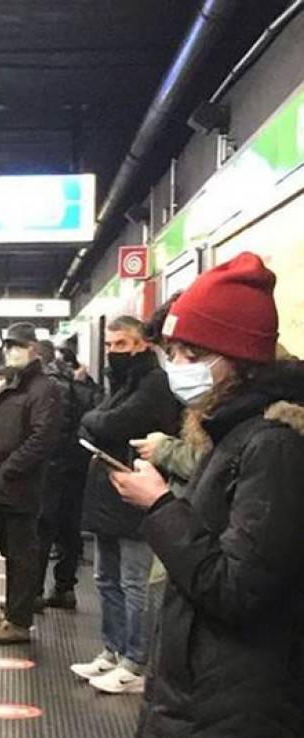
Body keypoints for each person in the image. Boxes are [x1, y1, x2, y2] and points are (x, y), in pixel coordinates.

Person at [108, 252, 304, 738]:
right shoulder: (231, 433)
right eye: (173, 353)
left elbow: (237, 589)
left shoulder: (272, 446)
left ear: (236, 360)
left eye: (190, 356)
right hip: (203, 690)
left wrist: (160, 506)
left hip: (234, 704)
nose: (175, 367)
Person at [72, 316, 180, 694]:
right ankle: (113, 650)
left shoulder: (154, 384)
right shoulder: (122, 383)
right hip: (109, 492)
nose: (113, 352)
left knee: (134, 582)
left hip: (136, 494)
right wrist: (96, 421)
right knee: (106, 579)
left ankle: (136, 661)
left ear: (141, 345)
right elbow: (95, 424)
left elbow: (109, 424)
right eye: (110, 344)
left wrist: (94, 419)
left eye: (121, 344)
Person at [0, 322, 61, 644]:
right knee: (10, 551)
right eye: (7, 345)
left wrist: (8, 469)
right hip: (0, 484)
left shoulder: (43, 388)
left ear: (34, 349)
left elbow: (41, 438)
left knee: (22, 554)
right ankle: (13, 612)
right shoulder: (15, 383)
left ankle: (20, 621)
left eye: (17, 345)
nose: (11, 351)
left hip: (18, 485)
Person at [36, 344, 94, 611]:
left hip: (51, 467)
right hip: (76, 466)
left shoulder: (48, 388)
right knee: (70, 529)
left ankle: (33, 592)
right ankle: (64, 587)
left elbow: (47, 432)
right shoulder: (81, 387)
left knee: (42, 528)